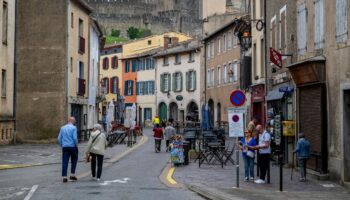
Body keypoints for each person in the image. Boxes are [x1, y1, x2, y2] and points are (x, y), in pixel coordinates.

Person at [58, 117, 78, 183]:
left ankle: (64, 177)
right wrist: (76, 145)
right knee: (74, 160)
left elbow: (59, 139)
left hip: (65, 147)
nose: (75, 121)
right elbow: (75, 138)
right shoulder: (74, 128)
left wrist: (62, 144)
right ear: (72, 121)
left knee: (65, 161)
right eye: (74, 120)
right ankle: (72, 175)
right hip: (72, 146)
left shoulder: (62, 128)